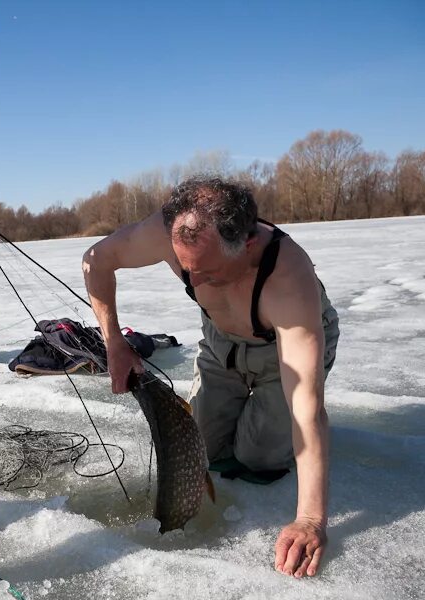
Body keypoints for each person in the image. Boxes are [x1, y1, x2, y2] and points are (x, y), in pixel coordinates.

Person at [82, 177, 340, 579]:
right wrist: (113, 342)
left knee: (257, 456)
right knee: (199, 446)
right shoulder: (167, 232)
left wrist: (310, 520)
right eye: (186, 269)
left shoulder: (288, 279)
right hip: (221, 341)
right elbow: (95, 259)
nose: (194, 282)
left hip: (282, 348)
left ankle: (272, 427)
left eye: (209, 272)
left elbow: (307, 407)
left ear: (248, 244)